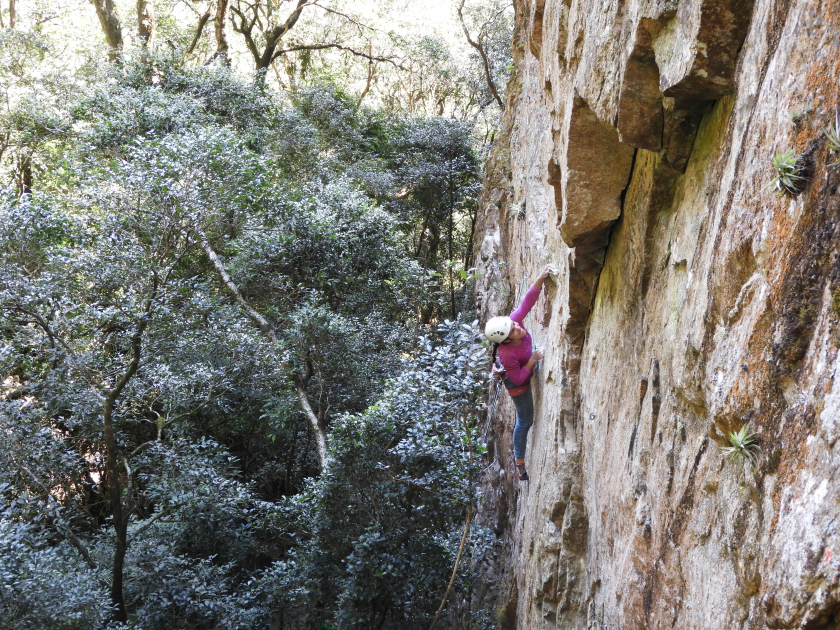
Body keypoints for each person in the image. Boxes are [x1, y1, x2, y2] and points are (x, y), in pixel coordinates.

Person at [484, 264, 557, 481]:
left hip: (522, 367)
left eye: (515, 324)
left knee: (525, 420)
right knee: (525, 421)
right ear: (506, 340)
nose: (519, 326)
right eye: (514, 330)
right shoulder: (507, 354)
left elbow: (527, 303)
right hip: (518, 385)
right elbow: (517, 378)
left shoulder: (512, 323)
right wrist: (533, 360)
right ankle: (519, 463)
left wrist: (540, 277)